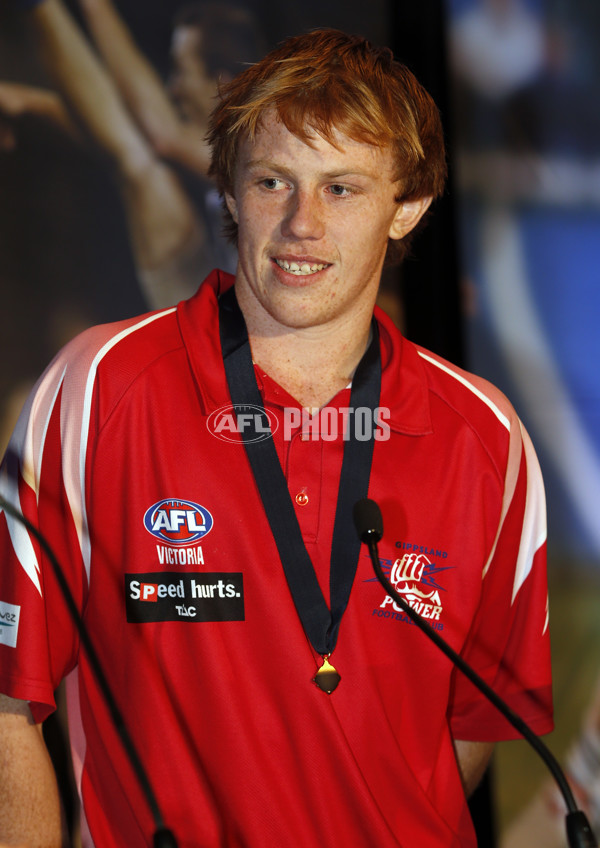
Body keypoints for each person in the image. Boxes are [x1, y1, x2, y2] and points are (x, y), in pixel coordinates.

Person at [0, 28, 553, 847]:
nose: (301, 224)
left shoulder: (488, 437)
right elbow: (10, 711)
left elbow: (471, 730)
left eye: (342, 189)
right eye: (273, 182)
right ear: (228, 190)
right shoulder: (95, 389)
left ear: (408, 208)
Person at [0, 0, 264, 307]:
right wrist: (20, 103)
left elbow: (161, 136)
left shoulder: (262, 155)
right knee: (140, 162)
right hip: (229, 325)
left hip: (244, 346)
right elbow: (121, 129)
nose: (173, 89)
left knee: (145, 171)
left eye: (181, 71)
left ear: (225, 85)